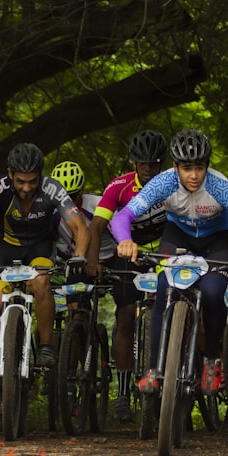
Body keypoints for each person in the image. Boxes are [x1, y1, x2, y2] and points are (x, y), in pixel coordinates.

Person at [112, 129, 228, 398]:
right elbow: (122, 216)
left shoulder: (219, 185)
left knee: (214, 292)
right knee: (163, 288)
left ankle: (211, 360)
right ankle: (155, 370)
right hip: (178, 236)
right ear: (175, 167)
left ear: (207, 165)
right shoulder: (164, 183)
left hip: (216, 239)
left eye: (199, 168)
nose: (193, 175)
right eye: (186, 168)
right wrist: (125, 240)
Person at [0, 142, 89, 409]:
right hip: (4, 250)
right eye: (21, 181)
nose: (26, 188)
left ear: (41, 176)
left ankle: (45, 346)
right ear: (10, 174)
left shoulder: (52, 189)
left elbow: (79, 228)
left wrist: (79, 256)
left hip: (38, 248)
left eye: (32, 181)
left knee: (41, 283)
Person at [87, 130, 168, 423]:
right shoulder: (119, 186)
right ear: (133, 161)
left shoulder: (172, 183)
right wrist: (93, 261)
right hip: (128, 256)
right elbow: (96, 226)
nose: (148, 168)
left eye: (155, 162)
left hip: (163, 254)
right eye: (143, 162)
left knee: (168, 310)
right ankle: (122, 393)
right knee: (125, 318)